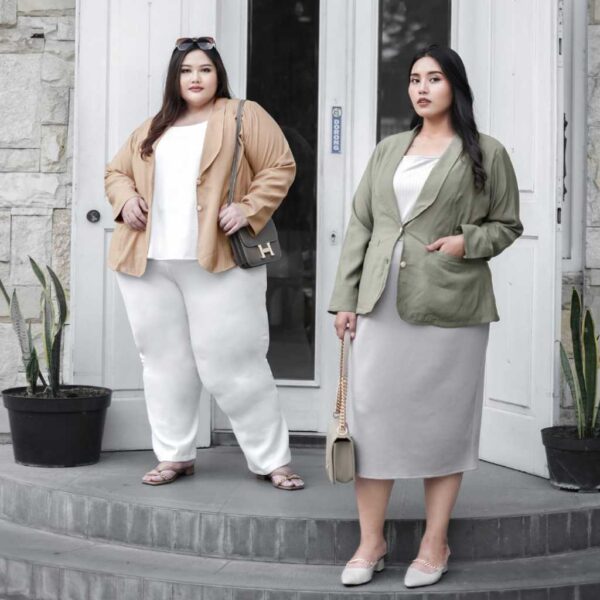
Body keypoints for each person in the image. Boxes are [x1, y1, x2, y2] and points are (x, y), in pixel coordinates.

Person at [329, 44, 522, 587]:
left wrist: (467, 242)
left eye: (434, 78)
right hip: (379, 300)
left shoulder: (486, 152)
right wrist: (345, 298)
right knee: (370, 422)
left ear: (454, 86)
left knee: (443, 423)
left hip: (450, 307)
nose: (421, 88)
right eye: (415, 79)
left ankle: (435, 542)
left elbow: (508, 224)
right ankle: (371, 542)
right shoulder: (388, 149)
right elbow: (362, 225)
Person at [104, 36, 304, 491]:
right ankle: (174, 455)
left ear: (218, 75)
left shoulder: (243, 115)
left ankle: (272, 460)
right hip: (149, 263)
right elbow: (115, 172)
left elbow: (280, 165)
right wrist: (126, 198)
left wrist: (249, 208)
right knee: (163, 363)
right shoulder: (154, 126)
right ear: (175, 79)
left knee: (235, 363)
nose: (195, 78)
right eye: (186, 70)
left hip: (219, 260)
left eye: (205, 69)